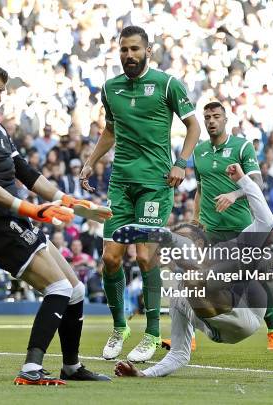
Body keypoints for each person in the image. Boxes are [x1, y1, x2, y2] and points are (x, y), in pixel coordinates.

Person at [0, 61, 110, 385]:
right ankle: (31, 368)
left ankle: (72, 367)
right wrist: (31, 210)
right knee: (59, 287)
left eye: (2, 93)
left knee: (75, 290)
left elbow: (26, 173)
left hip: (14, 219)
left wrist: (71, 203)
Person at [79, 25, 201, 362]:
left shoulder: (167, 85)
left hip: (155, 183)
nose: (129, 55)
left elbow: (194, 126)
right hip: (121, 183)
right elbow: (111, 129)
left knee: (146, 256)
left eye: (135, 49)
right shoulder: (110, 88)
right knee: (110, 259)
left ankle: (151, 333)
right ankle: (120, 327)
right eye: (124, 50)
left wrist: (182, 162)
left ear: (148, 51)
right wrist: (91, 162)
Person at [112, 164, 273, 378]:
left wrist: (243, 181)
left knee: (229, 258)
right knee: (195, 279)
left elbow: (266, 221)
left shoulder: (224, 251)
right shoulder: (179, 298)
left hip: (249, 305)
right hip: (225, 324)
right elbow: (179, 355)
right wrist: (144, 374)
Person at [192, 101, 273, 350]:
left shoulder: (242, 146)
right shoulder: (198, 151)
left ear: (225, 119)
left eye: (216, 116)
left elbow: (257, 182)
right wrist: (195, 219)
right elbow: (200, 189)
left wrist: (234, 194)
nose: (211, 121)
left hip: (241, 227)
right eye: (207, 117)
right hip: (211, 230)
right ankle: (187, 335)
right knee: (197, 280)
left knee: (251, 280)